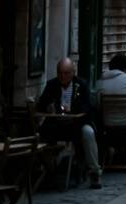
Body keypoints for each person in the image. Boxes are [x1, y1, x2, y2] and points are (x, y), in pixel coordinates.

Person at [36, 57, 102, 189]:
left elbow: (87, 107)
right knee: (39, 135)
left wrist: (73, 112)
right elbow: (41, 105)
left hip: (77, 123)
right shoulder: (51, 85)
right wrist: (48, 108)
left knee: (88, 133)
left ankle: (94, 172)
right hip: (56, 125)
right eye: (60, 73)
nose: (63, 76)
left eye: (66, 73)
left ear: (73, 72)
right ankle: (48, 170)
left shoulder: (81, 85)